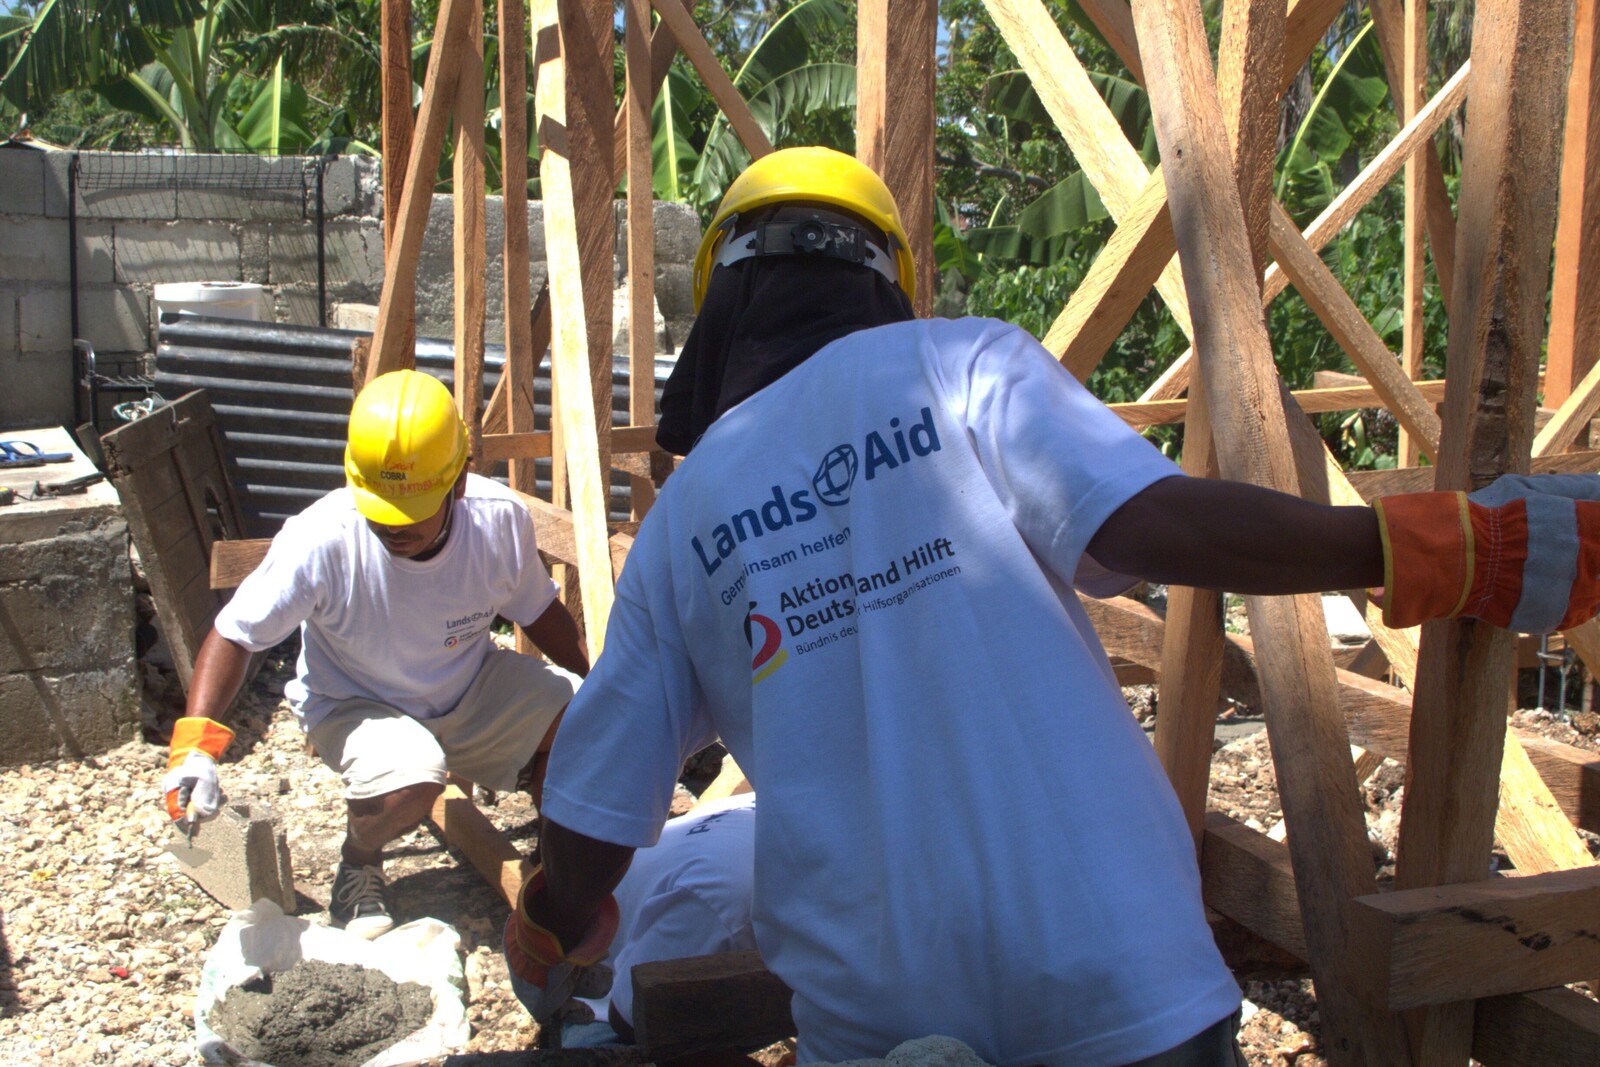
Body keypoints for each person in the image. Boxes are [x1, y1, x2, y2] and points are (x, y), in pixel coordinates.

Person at [501, 147, 1600, 1064]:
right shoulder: (957, 365)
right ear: (886, 276)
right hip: (1118, 986)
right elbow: (1152, 525)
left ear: (725, 294)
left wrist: (554, 917)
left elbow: (596, 815)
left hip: (874, 1022)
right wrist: (1432, 548)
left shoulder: (688, 518)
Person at [162, 369, 589, 939]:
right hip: (354, 701)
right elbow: (238, 634)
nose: (393, 526)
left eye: (411, 508)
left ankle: (560, 861)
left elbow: (541, 615)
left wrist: (607, 688)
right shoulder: (323, 536)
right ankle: (358, 865)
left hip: (465, 685)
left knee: (587, 725)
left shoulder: (496, 522)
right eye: (380, 506)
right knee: (412, 775)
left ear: (459, 483)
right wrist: (197, 746)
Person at [550, 792, 758, 1050]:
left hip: (666, 919)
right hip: (602, 1002)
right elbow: (631, 1019)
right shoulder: (724, 903)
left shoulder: (795, 811)